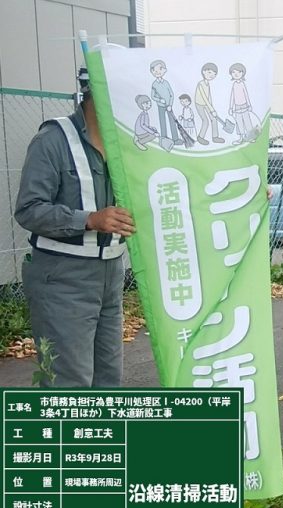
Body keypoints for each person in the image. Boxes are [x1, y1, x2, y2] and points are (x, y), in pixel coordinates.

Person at [14, 67, 136, 387]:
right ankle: (64, 439)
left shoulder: (125, 145)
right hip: (62, 279)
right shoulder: (53, 139)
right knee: (69, 382)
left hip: (110, 278)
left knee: (108, 378)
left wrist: (245, 193)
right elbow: (28, 209)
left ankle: (100, 437)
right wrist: (89, 219)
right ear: (95, 94)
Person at [149, 59, 181, 145]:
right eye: (154, 71)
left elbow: (171, 94)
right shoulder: (154, 84)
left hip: (169, 106)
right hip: (160, 106)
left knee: (172, 121)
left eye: (160, 70)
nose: (157, 72)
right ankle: (164, 139)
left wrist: (170, 104)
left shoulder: (166, 83)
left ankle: (175, 139)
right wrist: (160, 100)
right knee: (162, 122)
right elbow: (153, 96)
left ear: (164, 70)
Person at [195, 62, 225, 145]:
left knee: (214, 118)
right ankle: (200, 137)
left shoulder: (208, 84)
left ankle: (215, 137)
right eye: (209, 72)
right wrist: (211, 109)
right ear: (204, 72)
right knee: (205, 121)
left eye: (214, 74)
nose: (212, 75)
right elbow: (204, 98)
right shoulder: (200, 84)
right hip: (199, 104)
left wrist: (212, 108)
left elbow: (209, 97)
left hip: (207, 104)